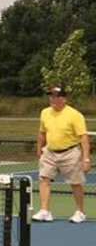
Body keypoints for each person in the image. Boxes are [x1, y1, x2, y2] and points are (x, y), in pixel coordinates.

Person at [32, 86, 90, 224]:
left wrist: (86, 158)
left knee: (75, 183)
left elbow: (83, 138)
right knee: (44, 179)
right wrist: (39, 148)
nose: (52, 99)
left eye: (55, 96)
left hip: (70, 152)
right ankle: (45, 211)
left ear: (64, 99)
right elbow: (42, 132)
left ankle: (80, 212)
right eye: (50, 96)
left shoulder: (75, 115)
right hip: (50, 152)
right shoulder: (45, 112)